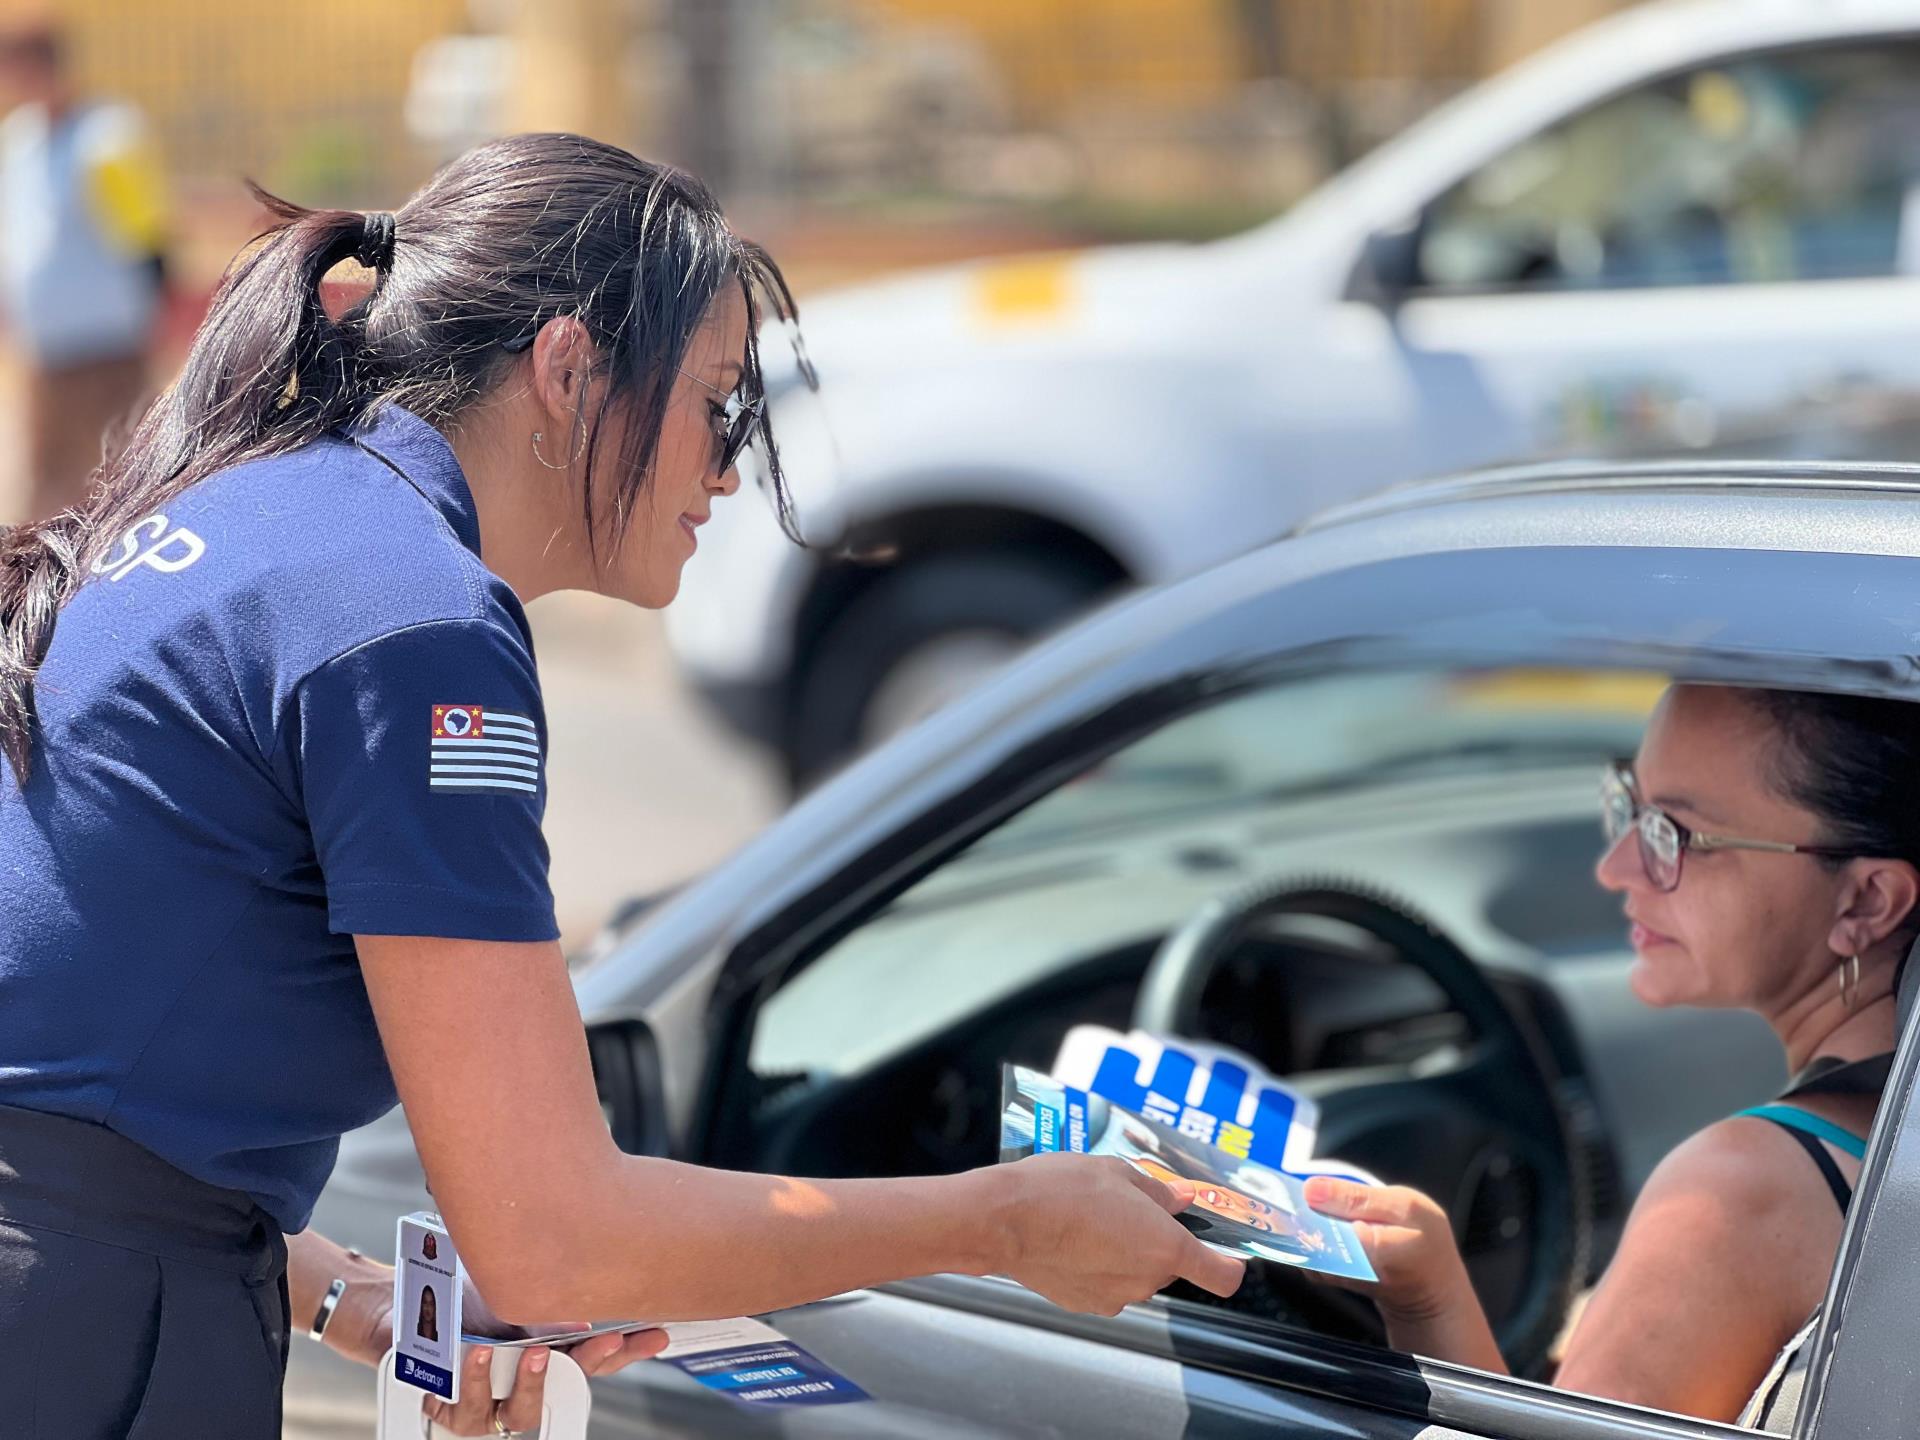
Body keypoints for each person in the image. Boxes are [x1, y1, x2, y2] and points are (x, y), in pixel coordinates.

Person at [0, 133, 1242, 1439]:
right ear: (569, 370)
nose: (727, 470)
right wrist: (1005, 1221)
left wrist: (333, 1289)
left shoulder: (265, 513)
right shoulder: (412, 619)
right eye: (719, 406)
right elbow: (552, 1243)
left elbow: (62, 1048)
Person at [1304, 683, 1918, 1425]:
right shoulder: (1870, 1149)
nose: (1617, 866)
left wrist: (1426, 1296)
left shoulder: (1737, 1193)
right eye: (1629, 802)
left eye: (1677, 833)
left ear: (1867, 902)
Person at [0, 19, 167, 521]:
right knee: (47, 491)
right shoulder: (18, 140)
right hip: (45, 352)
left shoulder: (108, 135)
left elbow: (148, 235)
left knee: (123, 482)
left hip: (106, 347)